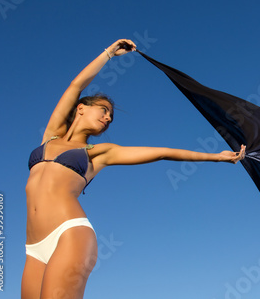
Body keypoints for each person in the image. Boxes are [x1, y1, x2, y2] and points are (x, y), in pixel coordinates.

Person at [21, 39, 246, 299]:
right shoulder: (49, 137)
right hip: (33, 247)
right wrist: (108, 53)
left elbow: (162, 153)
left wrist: (215, 157)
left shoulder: (99, 154)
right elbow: (76, 85)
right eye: (104, 110)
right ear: (80, 108)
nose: (107, 118)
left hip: (69, 234)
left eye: (110, 118)